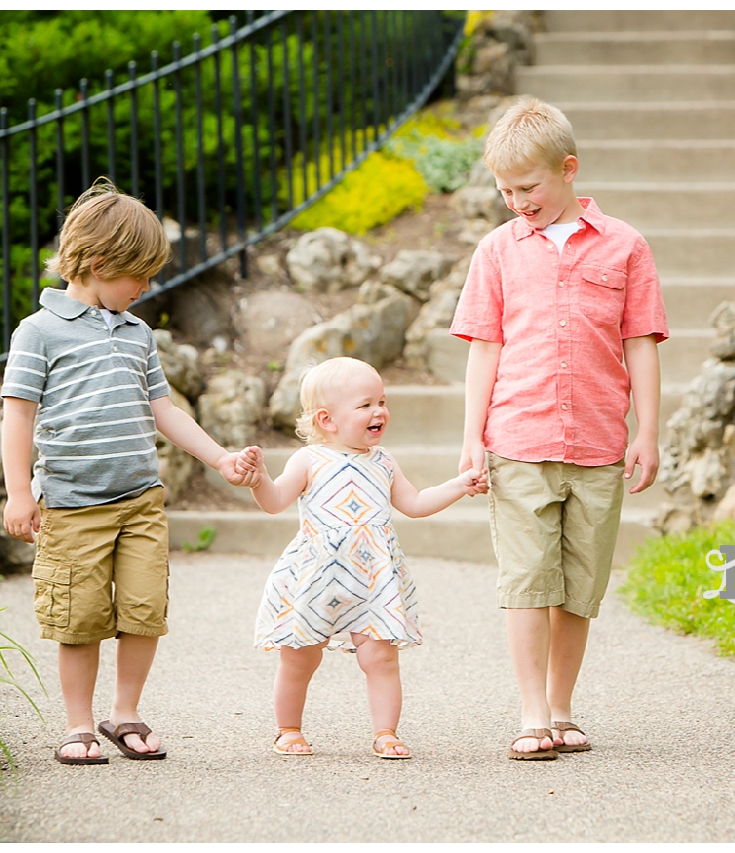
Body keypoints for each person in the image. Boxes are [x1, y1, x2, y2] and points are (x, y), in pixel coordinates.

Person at [0, 179, 259, 765]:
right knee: (80, 618)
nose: (147, 288)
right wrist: (20, 493)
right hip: (71, 505)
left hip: (140, 500)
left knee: (145, 610)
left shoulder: (137, 332)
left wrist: (219, 457)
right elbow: (18, 416)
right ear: (96, 264)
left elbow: (162, 409)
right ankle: (77, 724)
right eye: (138, 276)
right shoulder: (38, 332)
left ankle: (125, 714)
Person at [450, 97, 668, 760]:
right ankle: (531, 711)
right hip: (518, 441)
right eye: (504, 191)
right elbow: (483, 346)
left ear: (568, 169)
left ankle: (564, 705)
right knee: (527, 581)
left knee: (577, 587)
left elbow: (642, 343)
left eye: (528, 187)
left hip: (600, 444)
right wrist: (471, 439)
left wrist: (648, 431)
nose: (516, 201)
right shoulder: (497, 252)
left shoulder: (626, 247)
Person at [242, 357, 486, 759]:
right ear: (327, 420)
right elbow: (275, 502)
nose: (380, 411)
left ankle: (386, 732)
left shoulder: (384, 461)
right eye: (366, 404)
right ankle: (288, 728)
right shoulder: (309, 460)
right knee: (300, 657)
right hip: (319, 575)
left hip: (373, 576)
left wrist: (458, 485)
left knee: (381, 656)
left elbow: (416, 503)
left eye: (382, 401)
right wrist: (260, 480)